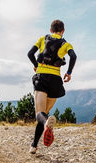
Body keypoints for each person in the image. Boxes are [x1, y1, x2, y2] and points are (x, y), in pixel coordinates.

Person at [27, 19, 77, 154]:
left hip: (42, 77)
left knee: (40, 114)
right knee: (44, 116)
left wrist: (36, 65)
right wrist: (69, 72)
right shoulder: (66, 44)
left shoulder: (42, 39)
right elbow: (73, 56)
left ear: (50, 30)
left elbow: (30, 54)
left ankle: (42, 131)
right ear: (63, 31)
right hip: (55, 81)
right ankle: (34, 146)